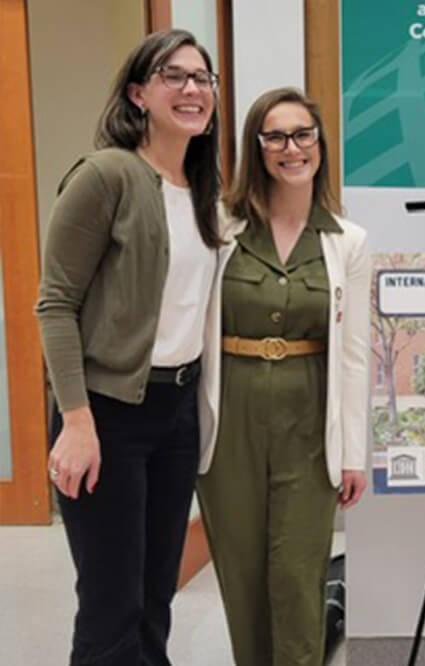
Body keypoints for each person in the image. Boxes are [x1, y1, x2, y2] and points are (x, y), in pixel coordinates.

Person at [35, 30, 221, 664]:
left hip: (175, 416)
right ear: (139, 93)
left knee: (153, 597)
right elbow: (55, 304)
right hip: (106, 415)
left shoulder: (205, 192)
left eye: (203, 78)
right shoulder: (105, 176)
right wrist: (77, 421)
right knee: (112, 602)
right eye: (175, 76)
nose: (193, 89)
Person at [196, 87, 371, 666]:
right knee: (242, 576)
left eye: (303, 135)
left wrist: (353, 452)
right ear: (256, 146)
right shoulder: (219, 228)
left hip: (308, 421)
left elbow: (353, 353)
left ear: (319, 145)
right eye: (275, 136)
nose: (291, 148)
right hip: (232, 424)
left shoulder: (347, 241)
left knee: (298, 577)